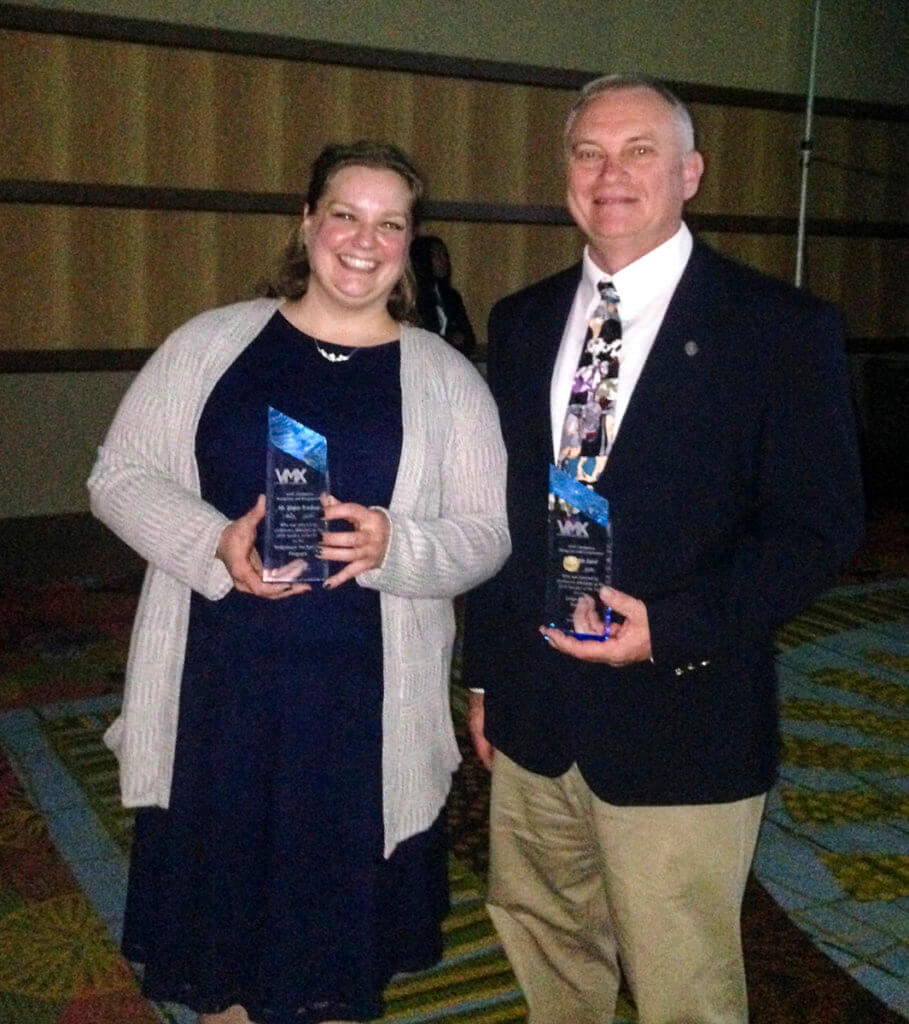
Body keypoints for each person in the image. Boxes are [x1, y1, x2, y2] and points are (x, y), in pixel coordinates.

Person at [462, 74, 864, 1024]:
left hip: (682, 715)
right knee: (547, 953)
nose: (610, 174)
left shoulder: (777, 329)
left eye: (638, 150)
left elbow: (818, 528)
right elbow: (502, 513)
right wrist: (483, 676)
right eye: (587, 153)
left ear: (689, 172)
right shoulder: (520, 322)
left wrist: (674, 627)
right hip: (531, 713)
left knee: (682, 985)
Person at [88, 139, 509, 1024]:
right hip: (217, 700)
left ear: (409, 243)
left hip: (364, 716)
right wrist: (213, 545)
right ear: (307, 221)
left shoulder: (444, 378)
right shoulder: (212, 342)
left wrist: (398, 545)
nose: (364, 240)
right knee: (221, 939)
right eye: (345, 215)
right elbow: (120, 475)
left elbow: (488, 535)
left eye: (389, 223)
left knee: (336, 955)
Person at [410, 234, 477, 357]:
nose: (444, 261)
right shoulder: (411, 297)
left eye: (445, 255)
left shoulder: (451, 296)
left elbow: (468, 338)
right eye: (437, 256)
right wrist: (450, 339)